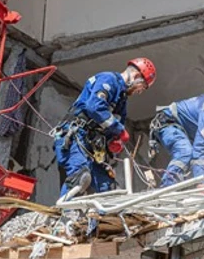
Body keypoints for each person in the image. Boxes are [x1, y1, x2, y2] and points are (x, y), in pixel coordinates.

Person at [55, 58, 157, 198]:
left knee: (108, 190)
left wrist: (113, 142)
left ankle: (100, 219)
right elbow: (94, 107)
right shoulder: (108, 80)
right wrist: (119, 130)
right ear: (136, 76)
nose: (140, 91)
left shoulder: (121, 100)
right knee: (81, 177)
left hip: (92, 144)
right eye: (142, 86)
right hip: (74, 136)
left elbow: (111, 125)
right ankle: (66, 216)